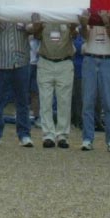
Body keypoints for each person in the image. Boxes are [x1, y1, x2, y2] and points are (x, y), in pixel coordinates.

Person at [0, 4, 32, 146]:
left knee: (22, 101)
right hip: (0, 61)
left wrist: (35, 22)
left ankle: (24, 134)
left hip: (20, 60)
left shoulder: (24, 7)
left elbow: (33, 29)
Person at [77, 8, 110, 154]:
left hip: (107, 59)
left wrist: (107, 22)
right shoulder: (89, 13)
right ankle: (87, 138)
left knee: (108, 102)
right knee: (88, 101)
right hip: (90, 58)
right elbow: (85, 37)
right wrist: (84, 24)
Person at [28, 8, 72, 150]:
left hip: (64, 62)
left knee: (64, 100)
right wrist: (38, 23)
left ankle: (62, 135)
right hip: (45, 62)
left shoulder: (68, 15)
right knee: (45, 100)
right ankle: (48, 135)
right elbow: (35, 33)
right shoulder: (43, 15)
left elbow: (76, 31)